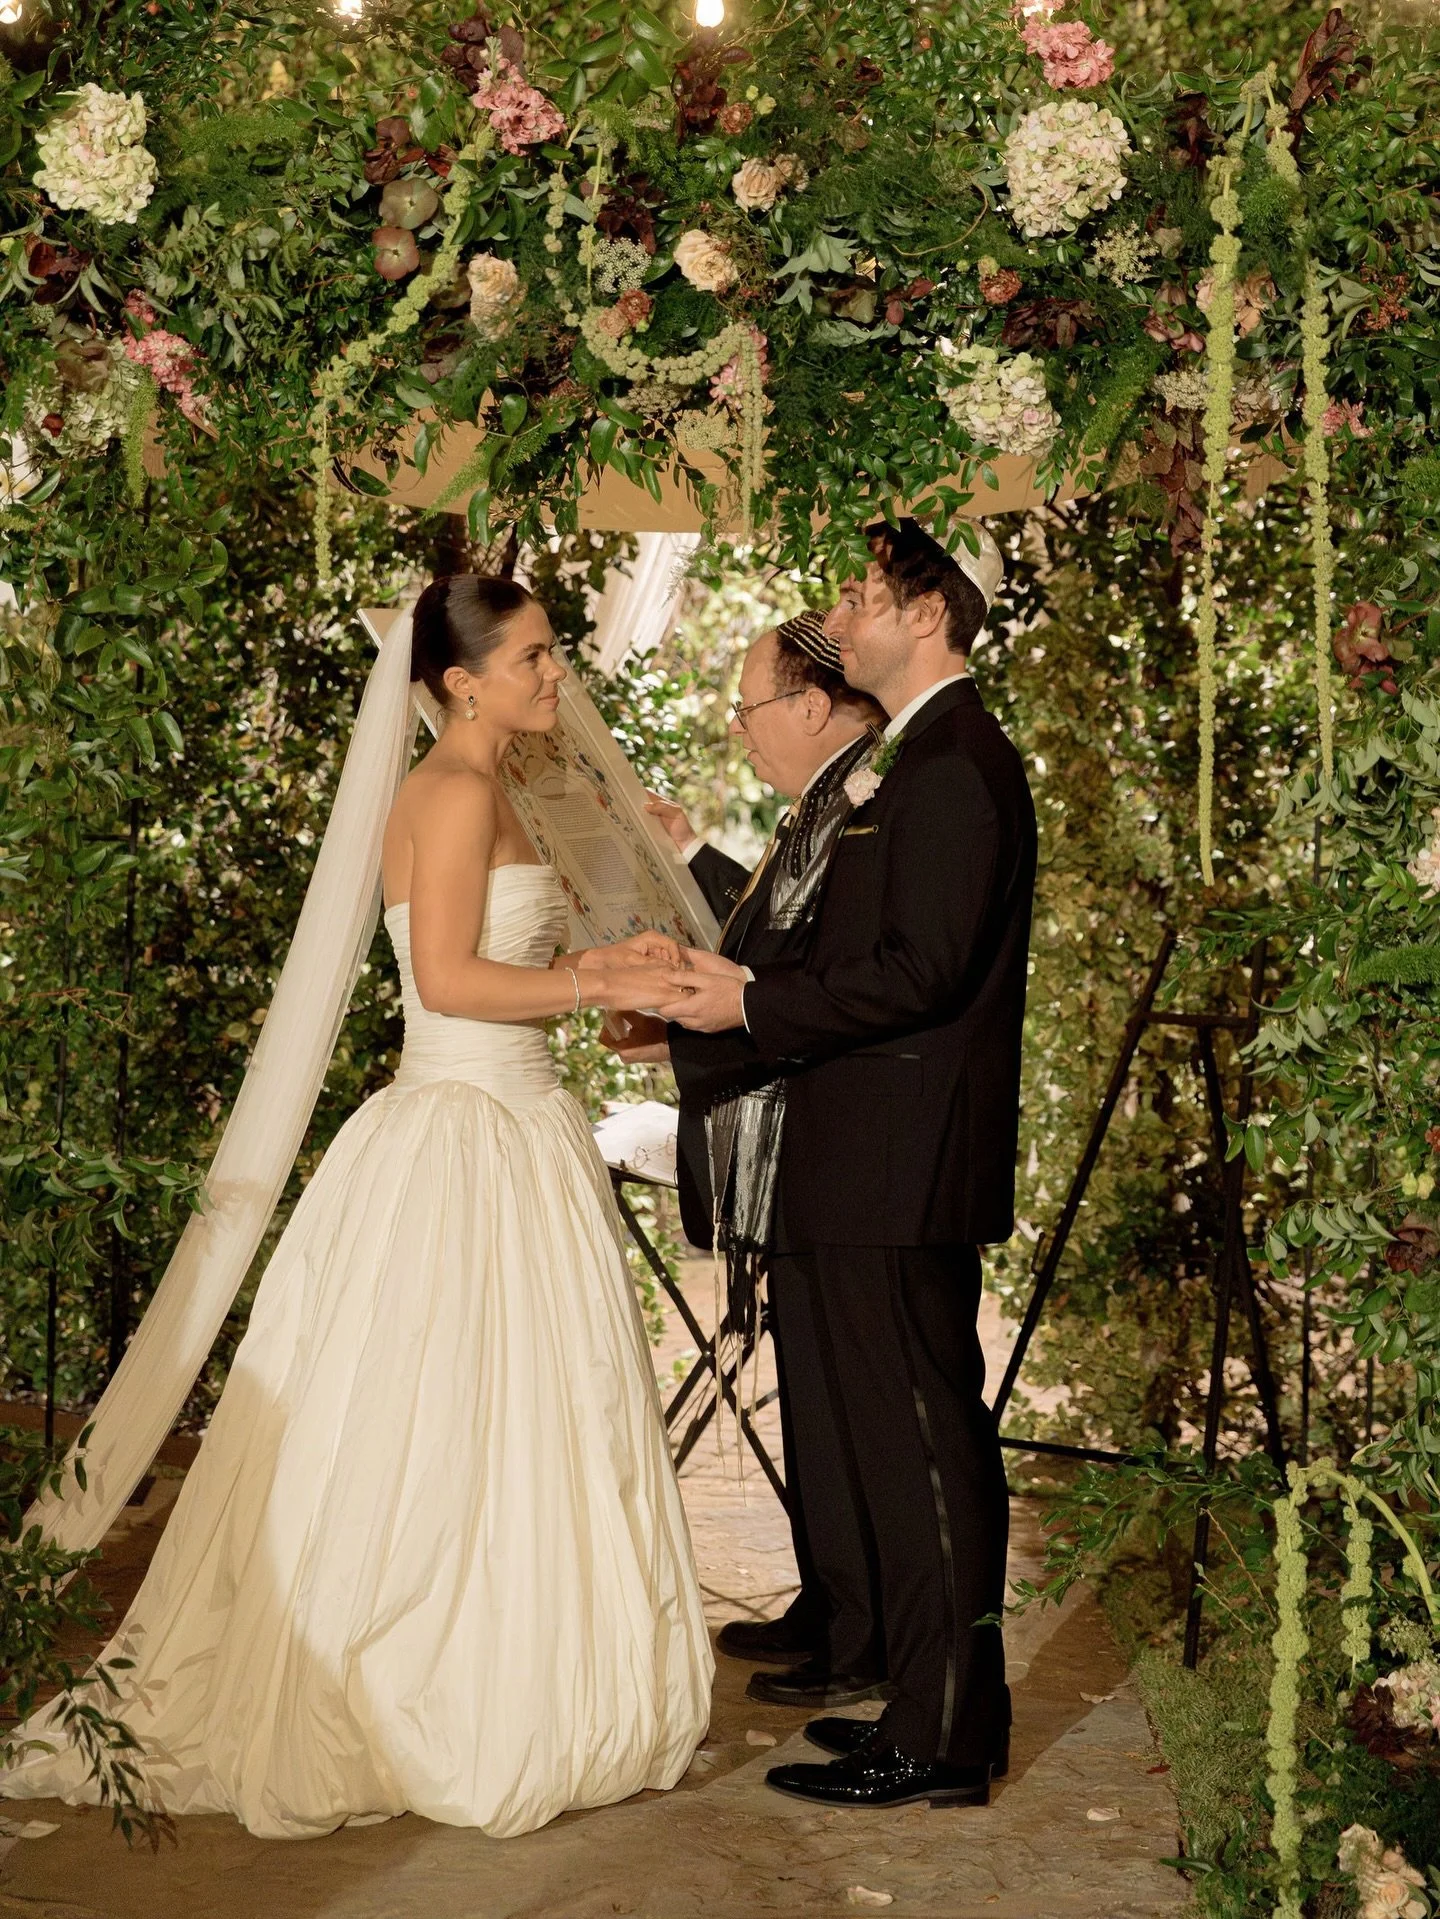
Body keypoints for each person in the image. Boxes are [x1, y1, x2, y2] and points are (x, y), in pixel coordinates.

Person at [3, 575, 713, 1840]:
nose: (560, 677)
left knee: (543, 1415)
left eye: (555, 656)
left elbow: (559, 975)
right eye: (538, 659)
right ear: (460, 681)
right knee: (426, 1418)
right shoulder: (445, 792)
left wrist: (626, 944)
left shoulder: (522, 788)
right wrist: (588, 967)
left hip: (527, 1128)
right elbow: (446, 979)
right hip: (454, 1132)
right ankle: (413, 1681)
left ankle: (533, 1662)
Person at [660, 519, 1036, 1812]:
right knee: (895, 1433)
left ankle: (941, 1730)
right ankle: (919, 1703)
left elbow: (922, 974)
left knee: (929, 1441)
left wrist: (752, 1007)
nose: (845, 612)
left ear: (928, 616)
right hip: (866, 1152)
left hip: (905, 1156)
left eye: (865, 595)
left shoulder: (955, 766)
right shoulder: (917, 758)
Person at [633, 611, 886, 1691]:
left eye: (749, 706)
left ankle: (863, 1624)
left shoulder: (874, 798)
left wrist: (702, 998)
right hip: (804, 1138)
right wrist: (690, 852)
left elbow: (805, 966)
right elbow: (775, 930)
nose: (740, 729)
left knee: (851, 1404)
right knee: (817, 1398)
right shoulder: (825, 800)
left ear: (812, 706)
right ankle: (834, 1598)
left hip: (848, 1137)